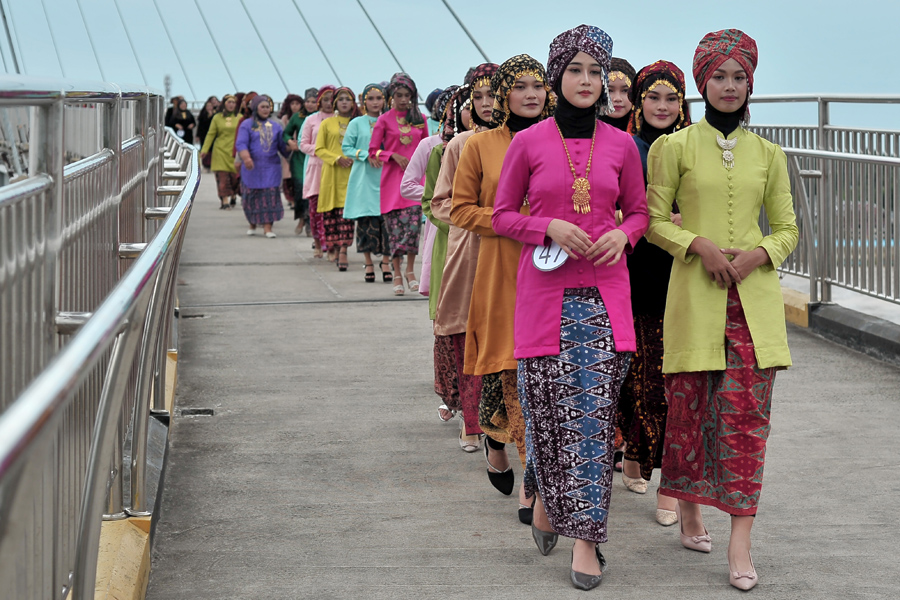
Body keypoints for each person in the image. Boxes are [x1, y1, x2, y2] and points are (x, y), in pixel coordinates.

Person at [492, 25, 648, 590]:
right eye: (575, 70)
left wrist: (625, 235)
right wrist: (547, 226)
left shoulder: (622, 144)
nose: (586, 81)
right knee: (550, 417)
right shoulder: (529, 142)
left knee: (593, 421)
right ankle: (545, 500)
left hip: (606, 300)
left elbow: (640, 212)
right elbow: (501, 215)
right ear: (558, 75)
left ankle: (586, 540)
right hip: (545, 300)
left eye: (595, 72)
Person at [646, 29, 798, 591]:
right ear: (702, 82)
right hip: (694, 298)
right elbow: (653, 222)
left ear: (750, 83)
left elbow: (787, 229)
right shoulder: (673, 148)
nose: (729, 86)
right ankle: (688, 509)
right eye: (718, 76)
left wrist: (759, 253)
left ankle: (740, 543)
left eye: (739, 77)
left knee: (746, 424)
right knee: (688, 415)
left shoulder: (770, 154)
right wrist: (698, 246)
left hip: (754, 309)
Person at [451, 55, 554, 524]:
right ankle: (496, 441)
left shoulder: (560, 142)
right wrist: (514, 222)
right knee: (508, 369)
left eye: (538, 86)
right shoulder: (480, 145)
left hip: (552, 269)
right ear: (503, 94)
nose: (530, 94)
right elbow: (460, 210)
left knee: (539, 377)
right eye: (519, 86)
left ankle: (531, 485)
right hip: (501, 270)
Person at [616, 60, 692, 527]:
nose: (662, 106)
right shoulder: (626, 146)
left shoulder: (693, 145)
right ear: (639, 102)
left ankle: (667, 486)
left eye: (671, 98)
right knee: (640, 382)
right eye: (652, 97)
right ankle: (635, 456)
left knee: (677, 387)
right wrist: (655, 221)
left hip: (685, 275)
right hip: (637, 274)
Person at [430, 79, 488, 451]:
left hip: (519, 250)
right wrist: (486, 217)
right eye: (476, 97)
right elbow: (439, 202)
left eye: (493, 94)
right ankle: (471, 421)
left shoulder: (532, 140)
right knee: (467, 337)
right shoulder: (460, 144)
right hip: (470, 250)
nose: (485, 103)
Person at [369, 73, 430, 295]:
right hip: (392, 184)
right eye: (399, 95)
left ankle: (410, 271)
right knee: (394, 232)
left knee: (413, 230)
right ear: (391, 97)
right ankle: (396, 272)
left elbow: (428, 147)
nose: (403, 99)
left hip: (416, 183)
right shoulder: (384, 120)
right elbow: (373, 150)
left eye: (407, 95)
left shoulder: (420, 119)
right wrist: (392, 155)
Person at [343, 84, 390, 282]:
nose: (375, 102)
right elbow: (346, 147)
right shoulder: (356, 123)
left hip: (387, 176)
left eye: (378, 98)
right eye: (370, 98)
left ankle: (386, 262)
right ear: (363, 101)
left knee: (387, 222)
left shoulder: (391, 121)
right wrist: (365, 155)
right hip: (364, 177)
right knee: (365, 222)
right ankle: (368, 262)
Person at [315, 86, 360, 271]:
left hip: (351, 172)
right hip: (332, 172)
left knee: (346, 214)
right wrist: (336, 158)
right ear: (335, 103)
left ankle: (343, 250)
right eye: (340, 99)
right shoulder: (327, 123)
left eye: (347, 99)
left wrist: (355, 155)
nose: (344, 102)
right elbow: (319, 149)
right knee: (331, 213)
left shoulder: (357, 123)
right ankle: (332, 247)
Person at [235, 95, 289, 238]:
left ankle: (268, 228)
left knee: (270, 197)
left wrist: (291, 148)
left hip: (271, 167)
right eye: (262, 107)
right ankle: (252, 224)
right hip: (252, 168)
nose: (266, 110)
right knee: (251, 197)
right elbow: (241, 143)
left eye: (267, 107)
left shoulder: (276, 126)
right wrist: (246, 158)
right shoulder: (247, 124)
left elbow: (282, 146)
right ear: (255, 108)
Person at [300, 85, 336, 258]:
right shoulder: (311, 120)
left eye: (332, 99)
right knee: (315, 209)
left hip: (336, 167)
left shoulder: (342, 120)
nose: (329, 103)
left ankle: (332, 246)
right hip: (316, 167)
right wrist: (322, 150)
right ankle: (317, 243)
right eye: (325, 99)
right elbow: (303, 144)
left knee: (333, 210)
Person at [200, 94, 241, 209]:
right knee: (222, 178)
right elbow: (211, 134)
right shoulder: (217, 118)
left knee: (234, 178)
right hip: (220, 151)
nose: (231, 105)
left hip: (235, 152)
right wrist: (204, 150)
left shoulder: (240, 118)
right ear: (224, 104)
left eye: (233, 102)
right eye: (229, 102)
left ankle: (233, 194)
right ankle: (225, 200)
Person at [284, 89, 315, 234]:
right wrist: (290, 142)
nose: (310, 104)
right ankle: (302, 218)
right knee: (300, 189)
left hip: (316, 158)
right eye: (307, 101)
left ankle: (310, 222)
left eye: (314, 101)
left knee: (313, 192)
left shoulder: (323, 117)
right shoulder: (297, 117)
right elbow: (286, 133)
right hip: (299, 159)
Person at [278, 94, 304, 211]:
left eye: (297, 104)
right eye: (292, 104)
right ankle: (292, 200)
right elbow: (283, 133)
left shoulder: (305, 118)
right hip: (288, 150)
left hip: (301, 150)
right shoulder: (285, 118)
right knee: (287, 176)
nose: (294, 106)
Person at [599, 58, 635, 131]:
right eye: (609, 90)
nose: (617, 98)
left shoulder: (645, 132)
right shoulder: (581, 130)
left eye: (625, 90)